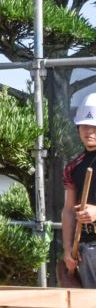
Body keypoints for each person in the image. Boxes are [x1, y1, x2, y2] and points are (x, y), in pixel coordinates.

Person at [63, 93, 96, 287]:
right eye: (84, 125)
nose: (89, 131)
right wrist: (67, 249)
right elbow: (68, 209)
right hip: (84, 249)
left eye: (94, 126)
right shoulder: (73, 167)